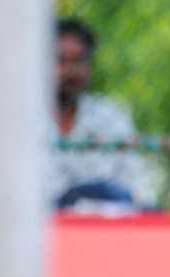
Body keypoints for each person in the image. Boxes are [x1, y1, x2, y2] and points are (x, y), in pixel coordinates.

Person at [48, 17, 155, 209]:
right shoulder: (20, 120)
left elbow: (137, 188)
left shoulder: (110, 117)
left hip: (102, 228)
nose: (70, 70)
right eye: (60, 60)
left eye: (79, 61)